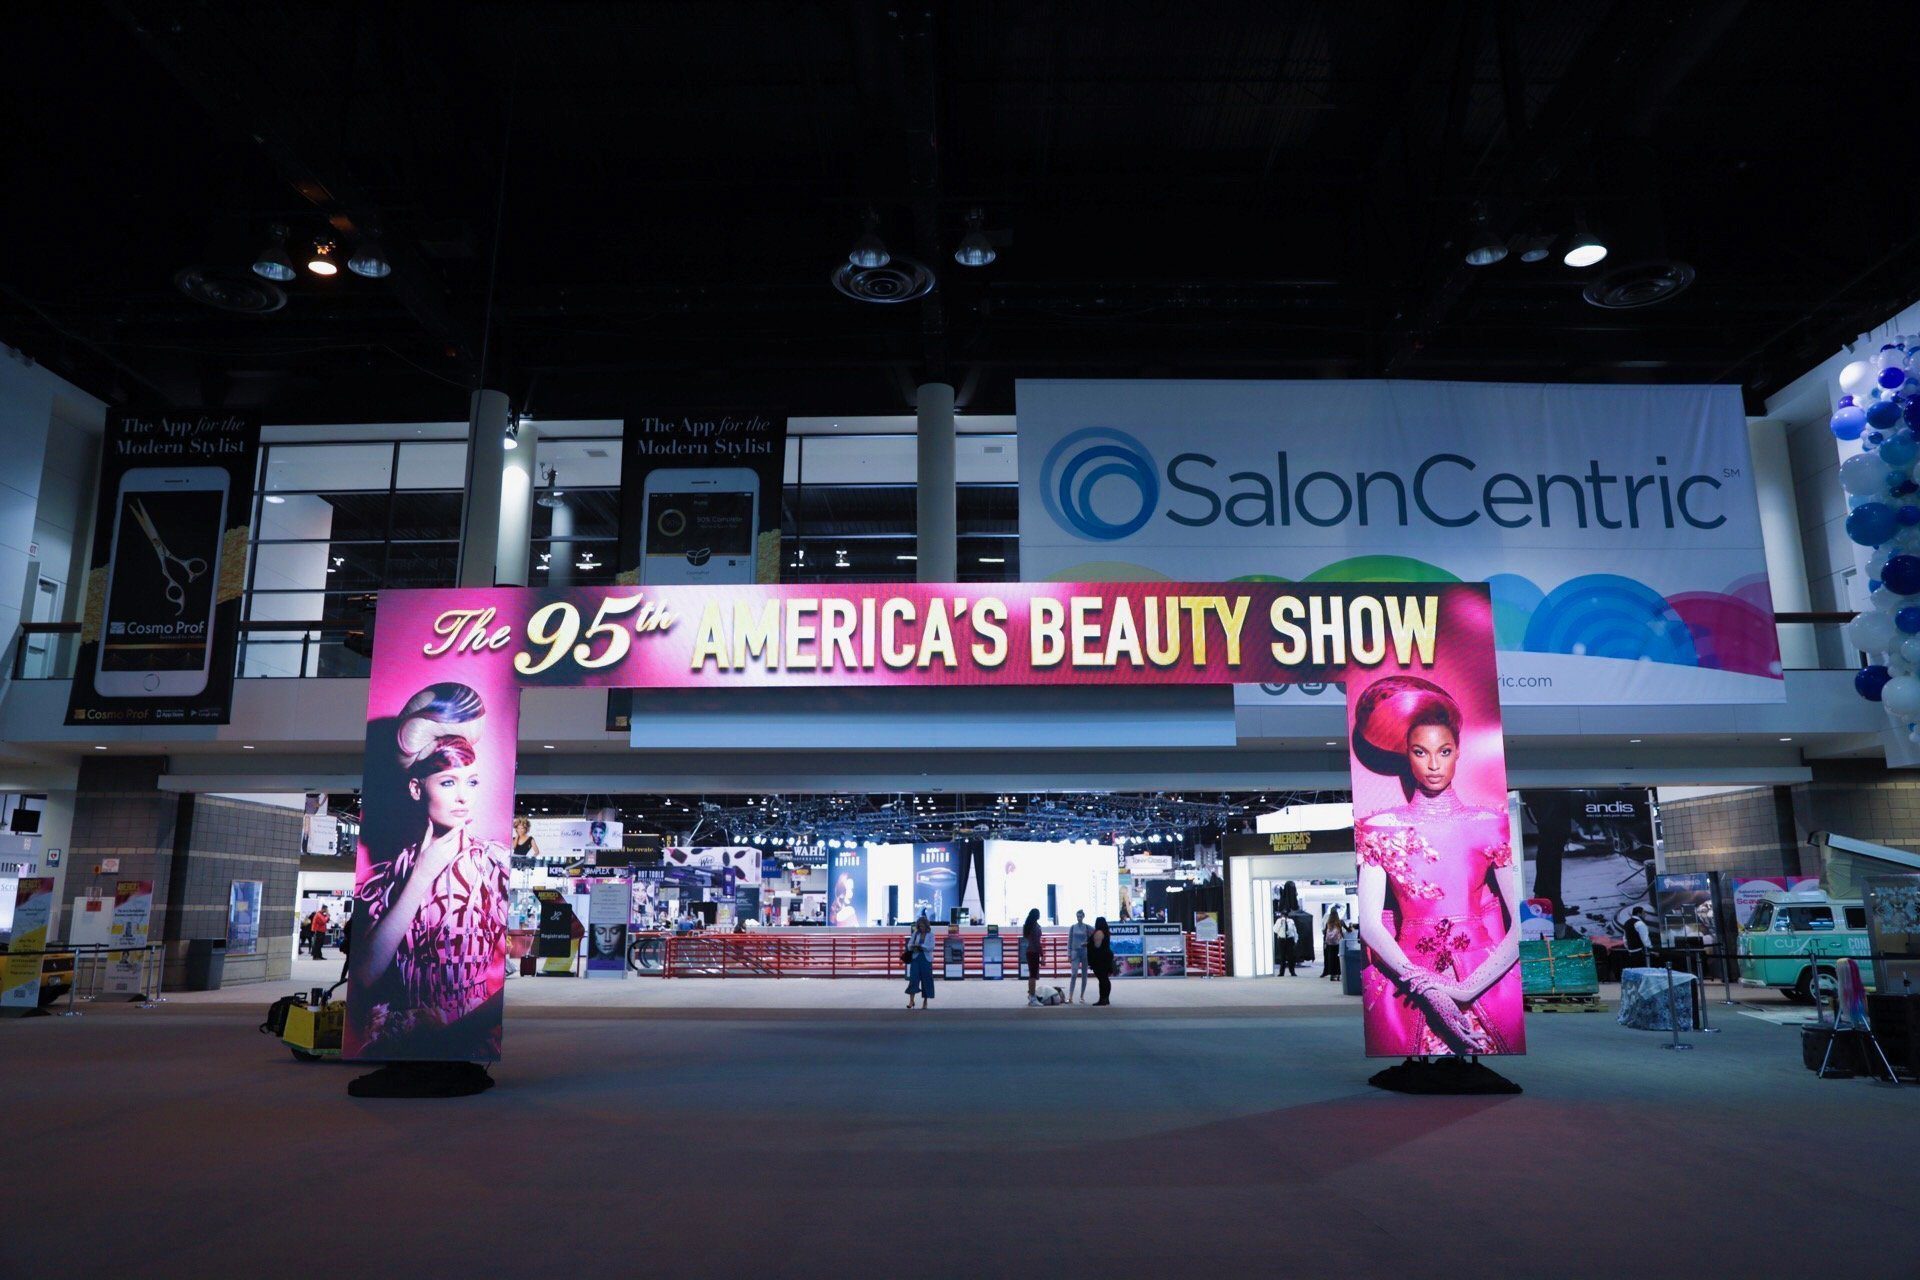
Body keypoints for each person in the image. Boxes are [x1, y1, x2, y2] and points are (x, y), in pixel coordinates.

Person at [1352, 676, 1523, 1057]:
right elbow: (1369, 925)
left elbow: (1521, 923)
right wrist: (1429, 989)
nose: (1433, 765)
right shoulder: (1380, 828)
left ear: (1458, 751)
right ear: (1406, 754)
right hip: (1408, 973)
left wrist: (1465, 989)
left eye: (1443, 752)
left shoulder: (1490, 824)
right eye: (1420, 752)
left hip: (1484, 972)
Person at [349, 682, 509, 1059]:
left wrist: (454, 1032)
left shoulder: (492, 863)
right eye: (448, 782)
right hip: (402, 1042)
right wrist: (422, 873)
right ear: (417, 789)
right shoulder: (394, 872)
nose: (463, 796)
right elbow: (366, 973)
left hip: (467, 1040)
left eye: (472, 782)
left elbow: (504, 980)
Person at [904, 915, 936, 1009]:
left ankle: (925, 1002)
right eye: (920, 926)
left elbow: (931, 947)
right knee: (913, 979)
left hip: (926, 959)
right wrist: (913, 947)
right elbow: (909, 945)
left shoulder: (931, 935)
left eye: (922, 926)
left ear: (926, 926)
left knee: (926, 980)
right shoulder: (915, 933)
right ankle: (911, 1001)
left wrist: (922, 947)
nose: (921, 928)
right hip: (916, 959)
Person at [1088, 916, 1115, 1006]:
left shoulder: (1099, 932)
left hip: (1100, 958)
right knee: (1105, 979)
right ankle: (1106, 998)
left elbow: (1097, 945)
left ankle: (1102, 999)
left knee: (1102, 979)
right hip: (1106, 957)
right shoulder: (1106, 932)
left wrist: (1088, 944)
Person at [1067, 910, 1092, 1003]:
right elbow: (1069, 941)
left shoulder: (1087, 927)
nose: (1079, 918)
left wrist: (1088, 943)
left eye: (1080, 916)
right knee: (1074, 974)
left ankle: (1082, 996)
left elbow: (1095, 934)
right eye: (1078, 916)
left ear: (1083, 916)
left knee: (1084, 975)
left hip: (1085, 952)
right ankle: (1070, 996)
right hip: (1075, 952)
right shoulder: (1073, 927)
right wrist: (1069, 954)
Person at [1022, 908, 1044, 1005]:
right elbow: (1037, 943)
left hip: (1029, 952)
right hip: (1034, 952)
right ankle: (1032, 996)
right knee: (1033, 976)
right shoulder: (1035, 927)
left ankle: (1031, 994)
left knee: (1032, 975)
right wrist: (1042, 955)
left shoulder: (1028, 926)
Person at [1272, 909, 1297, 976]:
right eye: (1283, 915)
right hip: (1282, 940)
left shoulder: (1291, 921)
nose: (1284, 917)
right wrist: (1280, 923)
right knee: (1282, 957)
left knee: (1290, 957)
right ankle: (1281, 972)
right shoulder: (1278, 921)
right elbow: (1275, 930)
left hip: (1289, 940)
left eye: (1285, 915)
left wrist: (1295, 940)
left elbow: (1294, 931)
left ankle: (1292, 971)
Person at [1324, 911, 1348, 981]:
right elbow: (1348, 930)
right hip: (1338, 944)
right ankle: (1338, 975)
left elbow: (1325, 932)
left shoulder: (1328, 923)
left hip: (1330, 944)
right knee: (1338, 959)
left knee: (1331, 959)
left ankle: (1332, 975)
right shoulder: (1340, 922)